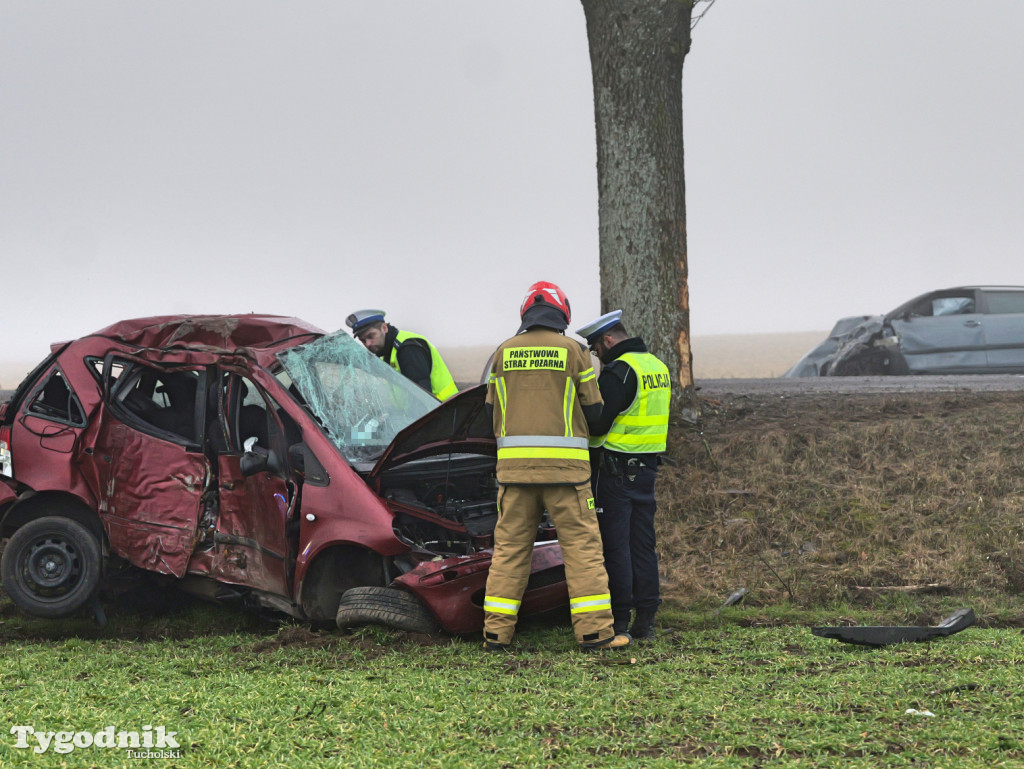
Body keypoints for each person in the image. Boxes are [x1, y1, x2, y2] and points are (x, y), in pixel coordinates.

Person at [482, 282, 631, 652]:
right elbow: (595, 416)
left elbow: (489, 414)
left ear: (525, 315)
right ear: (562, 313)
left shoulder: (503, 352)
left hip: (515, 476)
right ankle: (595, 634)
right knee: (581, 550)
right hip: (567, 475)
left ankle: (495, 634)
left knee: (509, 552)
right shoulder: (574, 351)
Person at [575, 310, 671, 641]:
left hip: (614, 473)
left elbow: (598, 422)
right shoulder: (657, 366)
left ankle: (617, 622)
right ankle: (646, 620)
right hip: (645, 471)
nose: (597, 356)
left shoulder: (620, 371)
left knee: (616, 547)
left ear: (609, 340)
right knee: (643, 545)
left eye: (596, 348)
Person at [345, 309, 459, 400]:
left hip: (445, 414)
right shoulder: (387, 352)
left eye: (371, 336)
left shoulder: (407, 349)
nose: (368, 344)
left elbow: (422, 397)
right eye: (363, 340)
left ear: (384, 328)